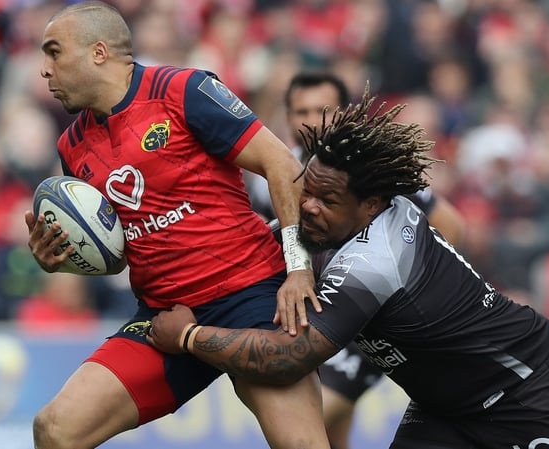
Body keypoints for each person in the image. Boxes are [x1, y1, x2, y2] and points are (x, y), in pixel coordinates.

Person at [148, 86, 549, 449]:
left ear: (371, 205)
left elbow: (287, 358)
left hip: (531, 389)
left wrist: (189, 337)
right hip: (446, 409)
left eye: (327, 200)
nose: (307, 206)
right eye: (307, 190)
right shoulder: (326, 225)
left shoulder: (375, 261)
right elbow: (240, 254)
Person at [25, 2, 329, 448]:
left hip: (251, 298)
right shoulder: (72, 145)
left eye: (54, 52)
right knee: (54, 430)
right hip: (164, 319)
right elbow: (119, 249)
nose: (44, 70)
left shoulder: (183, 90)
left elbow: (281, 164)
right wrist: (64, 255)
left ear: (99, 52)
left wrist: (298, 268)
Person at [267, 70, 466, 449]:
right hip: (320, 317)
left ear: (343, 114)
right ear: (287, 117)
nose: (311, 120)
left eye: (322, 110)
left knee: (307, 425)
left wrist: (416, 293)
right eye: (300, 111)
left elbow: (451, 225)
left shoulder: (368, 171)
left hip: (369, 326)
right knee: (330, 437)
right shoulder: (279, 175)